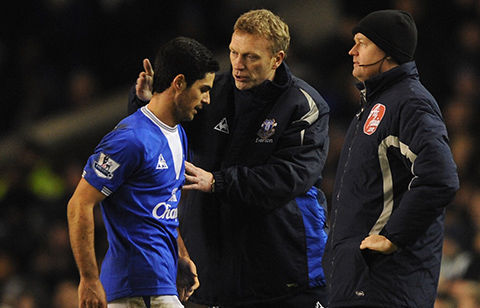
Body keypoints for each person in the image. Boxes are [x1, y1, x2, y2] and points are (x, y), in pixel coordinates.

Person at [129, 9, 330, 308]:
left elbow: (288, 178)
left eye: (251, 57)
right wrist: (149, 103)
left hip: (283, 276)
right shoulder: (212, 91)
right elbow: (155, 138)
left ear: (277, 59)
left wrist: (218, 182)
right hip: (209, 275)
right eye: (234, 52)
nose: (238, 64)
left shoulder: (304, 106)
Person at [67, 36, 219, 308]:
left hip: (160, 285)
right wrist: (89, 279)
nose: (207, 99)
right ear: (179, 83)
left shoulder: (179, 135)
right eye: (203, 89)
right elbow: (79, 204)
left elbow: (163, 207)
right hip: (134, 292)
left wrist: (180, 255)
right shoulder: (129, 139)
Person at [322, 9, 460, 308]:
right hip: (360, 280)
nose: (352, 50)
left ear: (387, 51)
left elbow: (440, 177)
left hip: (386, 284)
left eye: (362, 42)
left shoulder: (410, 102)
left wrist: (392, 236)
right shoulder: (375, 103)